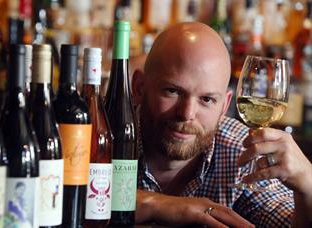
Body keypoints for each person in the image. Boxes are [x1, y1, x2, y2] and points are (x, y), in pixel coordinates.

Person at [132, 22, 312, 227]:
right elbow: (86, 200)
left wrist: (308, 185)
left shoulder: (240, 151)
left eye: (207, 99)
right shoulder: (99, 135)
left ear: (225, 105)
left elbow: (287, 220)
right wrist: (156, 204)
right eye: (172, 91)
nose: (186, 114)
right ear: (139, 87)